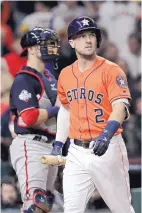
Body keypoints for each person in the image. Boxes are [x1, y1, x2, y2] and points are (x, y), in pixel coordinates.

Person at [50, 16, 135, 213]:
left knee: (121, 209)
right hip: (76, 151)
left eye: (91, 35)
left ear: (97, 40)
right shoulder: (65, 74)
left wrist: (106, 133)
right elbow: (65, 110)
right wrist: (58, 144)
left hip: (108, 147)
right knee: (71, 209)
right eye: (81, 36)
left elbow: (120, 106)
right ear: (71, 42)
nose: (88, 40)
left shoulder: (111, 70)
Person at [9, 27, 60, 213]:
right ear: (30, 49)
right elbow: (29, 117)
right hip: (31, 144)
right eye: (44, 44)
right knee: (36, 202)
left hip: (53, 145)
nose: (50, 47)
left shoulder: (51, 78)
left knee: (48, 204)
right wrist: (58, 109)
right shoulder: (24, 79)